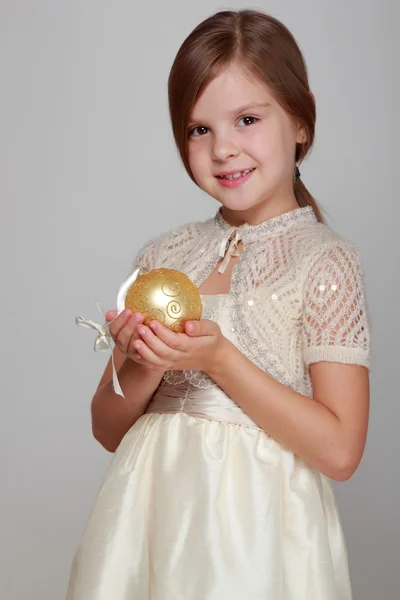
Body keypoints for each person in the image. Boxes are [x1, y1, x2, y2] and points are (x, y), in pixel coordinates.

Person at [67, 9, 371, 600]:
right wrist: (149, 360)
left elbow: (339, 452)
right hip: (148, 520)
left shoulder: (324, 262)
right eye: (199, 129)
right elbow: (107, 427)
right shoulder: (167, 253)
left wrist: (220, 360)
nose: (223, 149)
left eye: (248, 119)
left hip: (254, 534)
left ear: (301, 119)